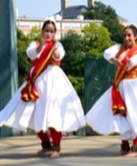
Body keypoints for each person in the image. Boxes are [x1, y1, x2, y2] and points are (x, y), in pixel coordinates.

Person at [0, 18, 85, 158]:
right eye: (46, 31)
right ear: (42, 31)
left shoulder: (57, 45)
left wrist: (54, 51)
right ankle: (46, 145)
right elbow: (31, 53)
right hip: (36, 83)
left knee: (53, 114)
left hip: (54, 82)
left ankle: (56, 148)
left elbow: (59, 55)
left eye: (51, 31)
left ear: (55, 33)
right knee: (33, 114)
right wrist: (41, 47)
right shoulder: (35, 44)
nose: (48, 34)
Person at [85, 24, 137, 157]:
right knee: (119, 115)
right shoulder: (119, 48)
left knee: (133, 114)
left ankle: (136, 148)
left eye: (129, 35)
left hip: (131, 86)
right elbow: (107, 53)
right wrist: (113, 59)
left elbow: (136, 60)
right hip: (119, 86)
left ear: (136, 36)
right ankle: (124, 145)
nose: (127, 38)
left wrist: (128, 62)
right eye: (125, 35)